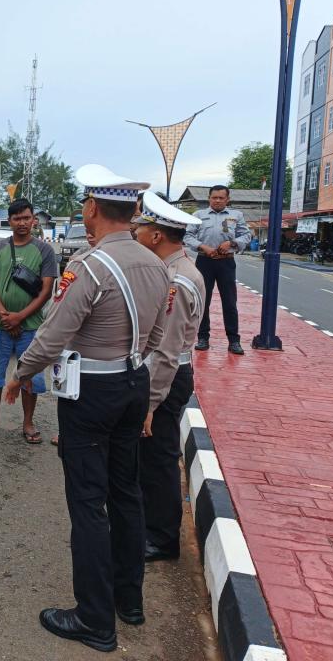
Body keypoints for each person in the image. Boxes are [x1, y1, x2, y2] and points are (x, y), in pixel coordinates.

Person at [4, 164, 169, 653]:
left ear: (93, 208)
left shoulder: (91, 265)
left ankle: (95, 620)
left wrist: (21, 373)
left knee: (88, 504)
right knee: (126, 493)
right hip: (133, 381)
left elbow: (55, 332)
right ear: (133, 212)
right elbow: (158, 335)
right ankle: (128, 602)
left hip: (92, 393)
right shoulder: (157, 264)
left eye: (84, 204)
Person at [133, 192, 205, 562]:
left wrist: (149, 403)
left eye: (143, 227)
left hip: (168, 376)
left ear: (157, 235)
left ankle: (162, 539)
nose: (137, 232)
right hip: (167, 373)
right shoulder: (171, 271)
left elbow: (166, 349)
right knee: (149, 457)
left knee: (159, 459)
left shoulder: (177, 281)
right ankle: (151, 528)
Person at [0, 198, 57, 442]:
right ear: (9, 221)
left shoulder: (44, 250)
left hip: (30, 326)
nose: (22, 223)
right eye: (17, 218)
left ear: (34, 219)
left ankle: (28, 423)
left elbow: (46, 291)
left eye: (26, 218)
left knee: (30, 376)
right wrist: (5, 317)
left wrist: (20, 317)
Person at [183, 185, 251, 354]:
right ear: (209, 198)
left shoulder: (237, 216)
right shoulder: (198, 216)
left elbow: (247, 235)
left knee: (229, 302)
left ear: (227, 199)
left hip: (226, 262)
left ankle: (234, 340)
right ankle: (203, 337)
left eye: (221, 198)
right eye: (214, 197)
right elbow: (187, 236)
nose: (218, 200)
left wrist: (232, 243)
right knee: (202, 301)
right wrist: (203, 246)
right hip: (204, 262)